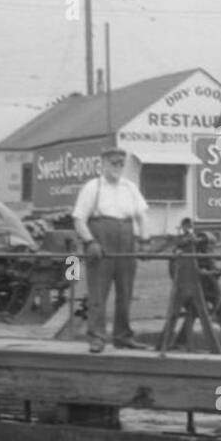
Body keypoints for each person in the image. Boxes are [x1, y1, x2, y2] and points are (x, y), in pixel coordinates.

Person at [72, 147, 151, 352]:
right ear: (103, 163)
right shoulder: (93, 187)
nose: (117, 167)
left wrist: (144, 239)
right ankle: (97, 336)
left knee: (126, 291)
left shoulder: (130, 188)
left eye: (120, 163)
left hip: (126, 240)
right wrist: (90, 242)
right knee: (98, 292)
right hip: (101, 240)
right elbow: (79, 219)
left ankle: (123, 336)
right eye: (113, 162)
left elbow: (142, 215)